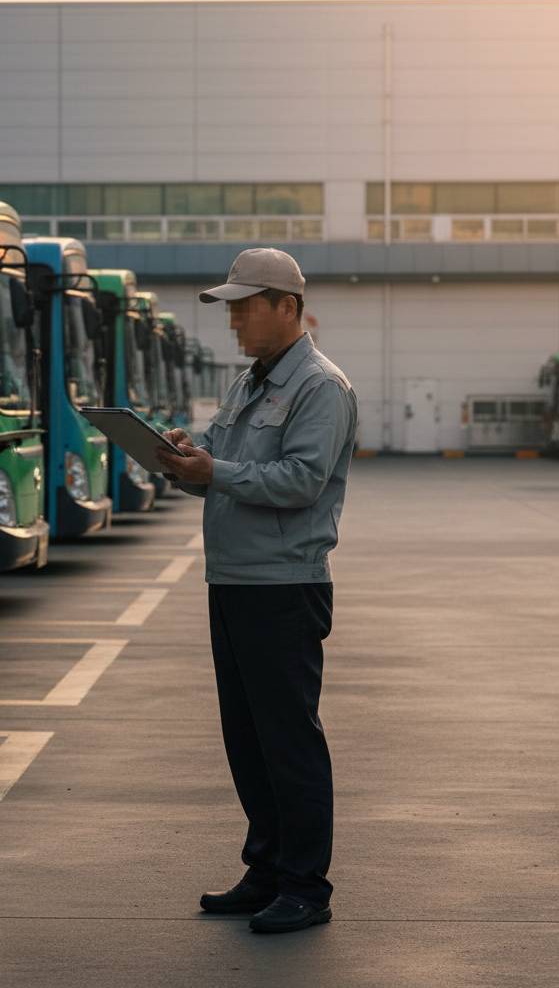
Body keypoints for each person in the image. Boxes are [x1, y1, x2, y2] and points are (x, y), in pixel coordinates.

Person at [156, 247, 358, 935]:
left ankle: (306, 885)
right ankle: (268, 866)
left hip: (283, 586)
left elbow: (302, 482)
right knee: (248, 739)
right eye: (231, 308)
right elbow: (221, 457)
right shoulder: (252, 384)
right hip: (236, 582)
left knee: (288, 741)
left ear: (287, 308)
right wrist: (184, 458)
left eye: (246, 306)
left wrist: (217, 472)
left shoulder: (320, 388)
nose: (235, 320)